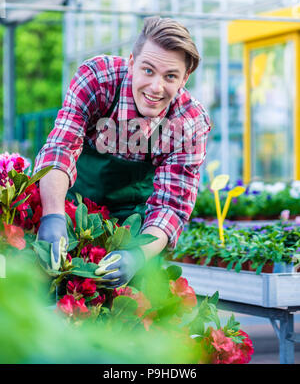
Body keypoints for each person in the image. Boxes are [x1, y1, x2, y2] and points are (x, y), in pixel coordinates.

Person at [34, 16, 211, 288]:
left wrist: (137, 255)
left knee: (130, 312)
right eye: (148, 70)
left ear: (185, 78)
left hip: (135, 223)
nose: (156, 87)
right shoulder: (98, 79)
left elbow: (171, 206)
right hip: (72, 204)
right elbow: (62, 146)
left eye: (170, 76)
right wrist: (53, 214)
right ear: (131, 62)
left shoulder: (189, 122)